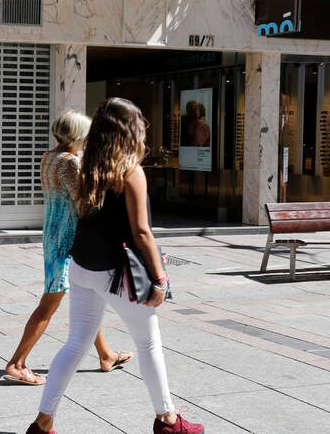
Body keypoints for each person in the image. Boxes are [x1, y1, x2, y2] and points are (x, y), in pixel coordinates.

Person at [26, 99, 203, 434]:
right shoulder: (129, 172)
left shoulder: (85, 167)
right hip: (117, 273)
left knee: (76, 342)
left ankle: (43, 422)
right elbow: (141, 231)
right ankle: (168, 420)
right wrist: (160, 278)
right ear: (129, 130)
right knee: (148, 343)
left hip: (83, 266)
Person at [4, 110, 132, 386]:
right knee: (49, 304)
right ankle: (16, 364)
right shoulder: (71, 163)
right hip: (67, 240)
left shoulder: (49, 157)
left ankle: (106, 354)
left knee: (87, 299)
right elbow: (83, 202)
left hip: (53, 233)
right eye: (86, 135)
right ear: (77, 136)